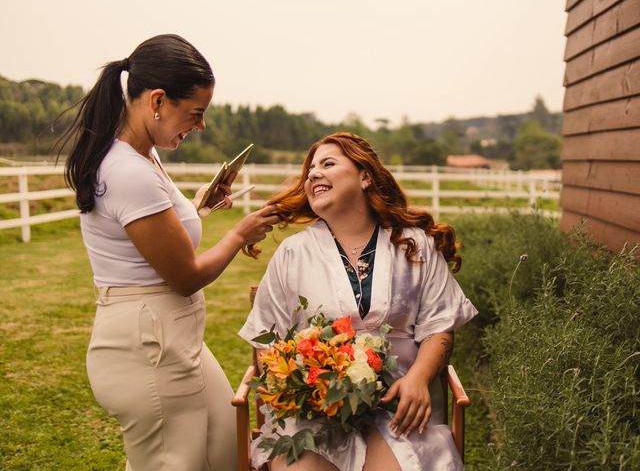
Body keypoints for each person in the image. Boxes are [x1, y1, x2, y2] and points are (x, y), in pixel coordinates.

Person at [55, 34, 280, 471]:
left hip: (175, 338)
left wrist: (200, 206)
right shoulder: (126, 170)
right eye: (195, 113)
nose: (200, 127)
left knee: (228, 452)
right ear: (157, 100)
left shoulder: (144, 156)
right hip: (147, 346)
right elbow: (185, 275)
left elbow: (152, 234)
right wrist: (239, 233)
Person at [239, 132, 478, 470]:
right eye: (310, 170)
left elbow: (439, 329)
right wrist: (305, 389)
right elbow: (268, 345)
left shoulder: (415, 245)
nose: (313, 174)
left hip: (402, 403)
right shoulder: (294, 253)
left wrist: (419, 379)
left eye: (328, 164)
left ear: (365, 176)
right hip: (316, 412)